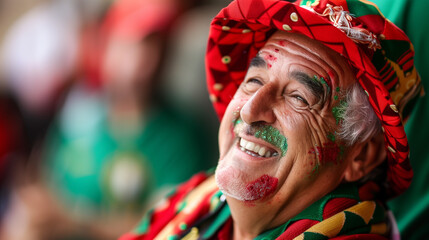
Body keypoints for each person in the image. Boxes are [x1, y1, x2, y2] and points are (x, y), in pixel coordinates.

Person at [120, 0, 423, 239]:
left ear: (362, 157)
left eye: (299, 97)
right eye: (253, 80)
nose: (251, 110)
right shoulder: (199, 197)